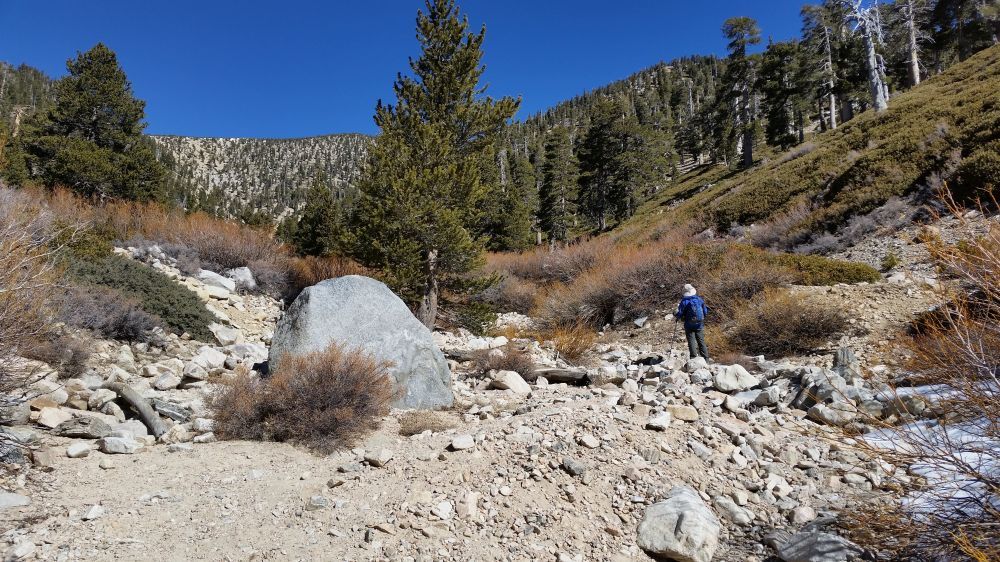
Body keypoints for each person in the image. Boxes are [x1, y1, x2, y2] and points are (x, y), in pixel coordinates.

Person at [674, 283, 709, 361]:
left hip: (689, 323)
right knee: (701, 340)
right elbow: (705, 311)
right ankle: (706, 359)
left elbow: (680, 313)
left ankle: (693, 358)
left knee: (691, 340)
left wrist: (676, 315)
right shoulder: (699, 299)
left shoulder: (684, 301)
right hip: (699, 323)